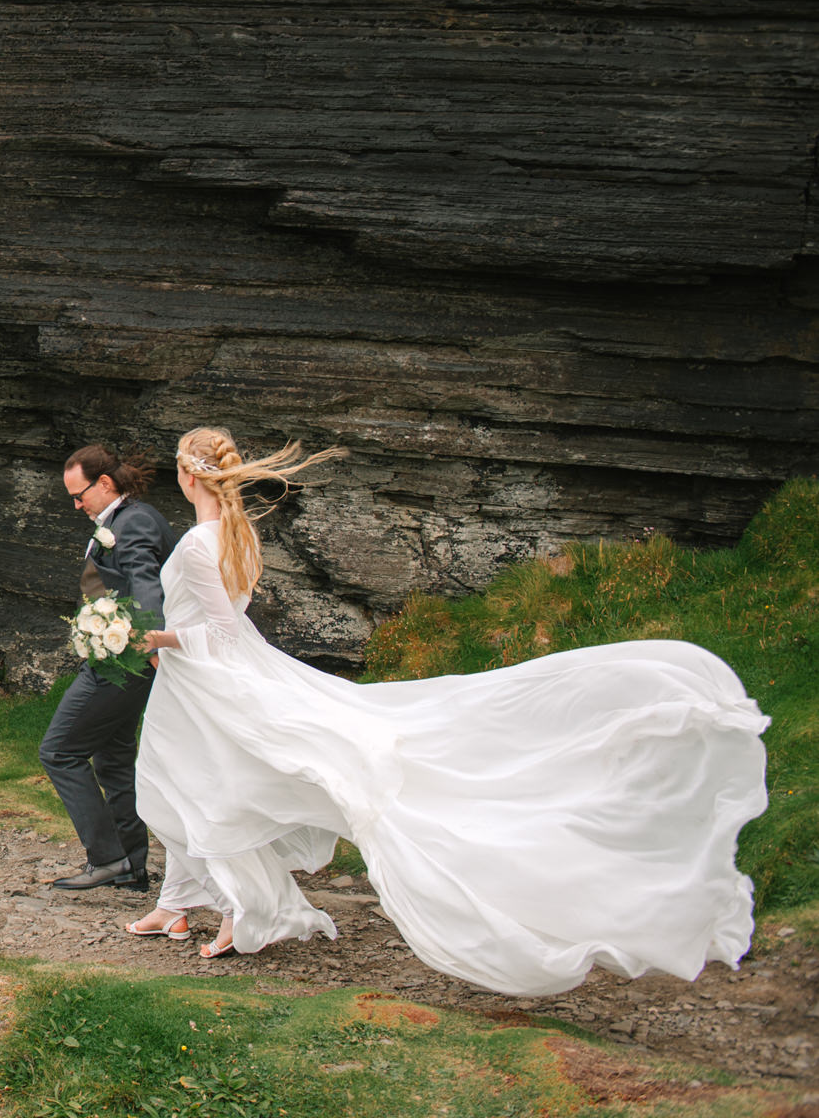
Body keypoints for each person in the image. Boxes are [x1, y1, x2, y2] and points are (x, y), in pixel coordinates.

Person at [123, 427, 769, 996]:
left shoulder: (201, 544)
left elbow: (220, 630)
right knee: (183, 785)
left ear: (187, 474)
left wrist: (150, 638)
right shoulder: (229, 536)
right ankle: (177, 906)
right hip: (198, 685)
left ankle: (246, 911)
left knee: (200, 788)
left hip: (210, 684)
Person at [40, 444, 176, 892]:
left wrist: (152, 637)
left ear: (104, 483)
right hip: (120, 660)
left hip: (125, 664)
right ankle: (133, 866)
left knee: (59, 752)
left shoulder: (132, 522)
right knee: (114, 758)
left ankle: (108, 857)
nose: (77, 505)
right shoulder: (123, 518)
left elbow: (144, 579)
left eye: (80, 495)